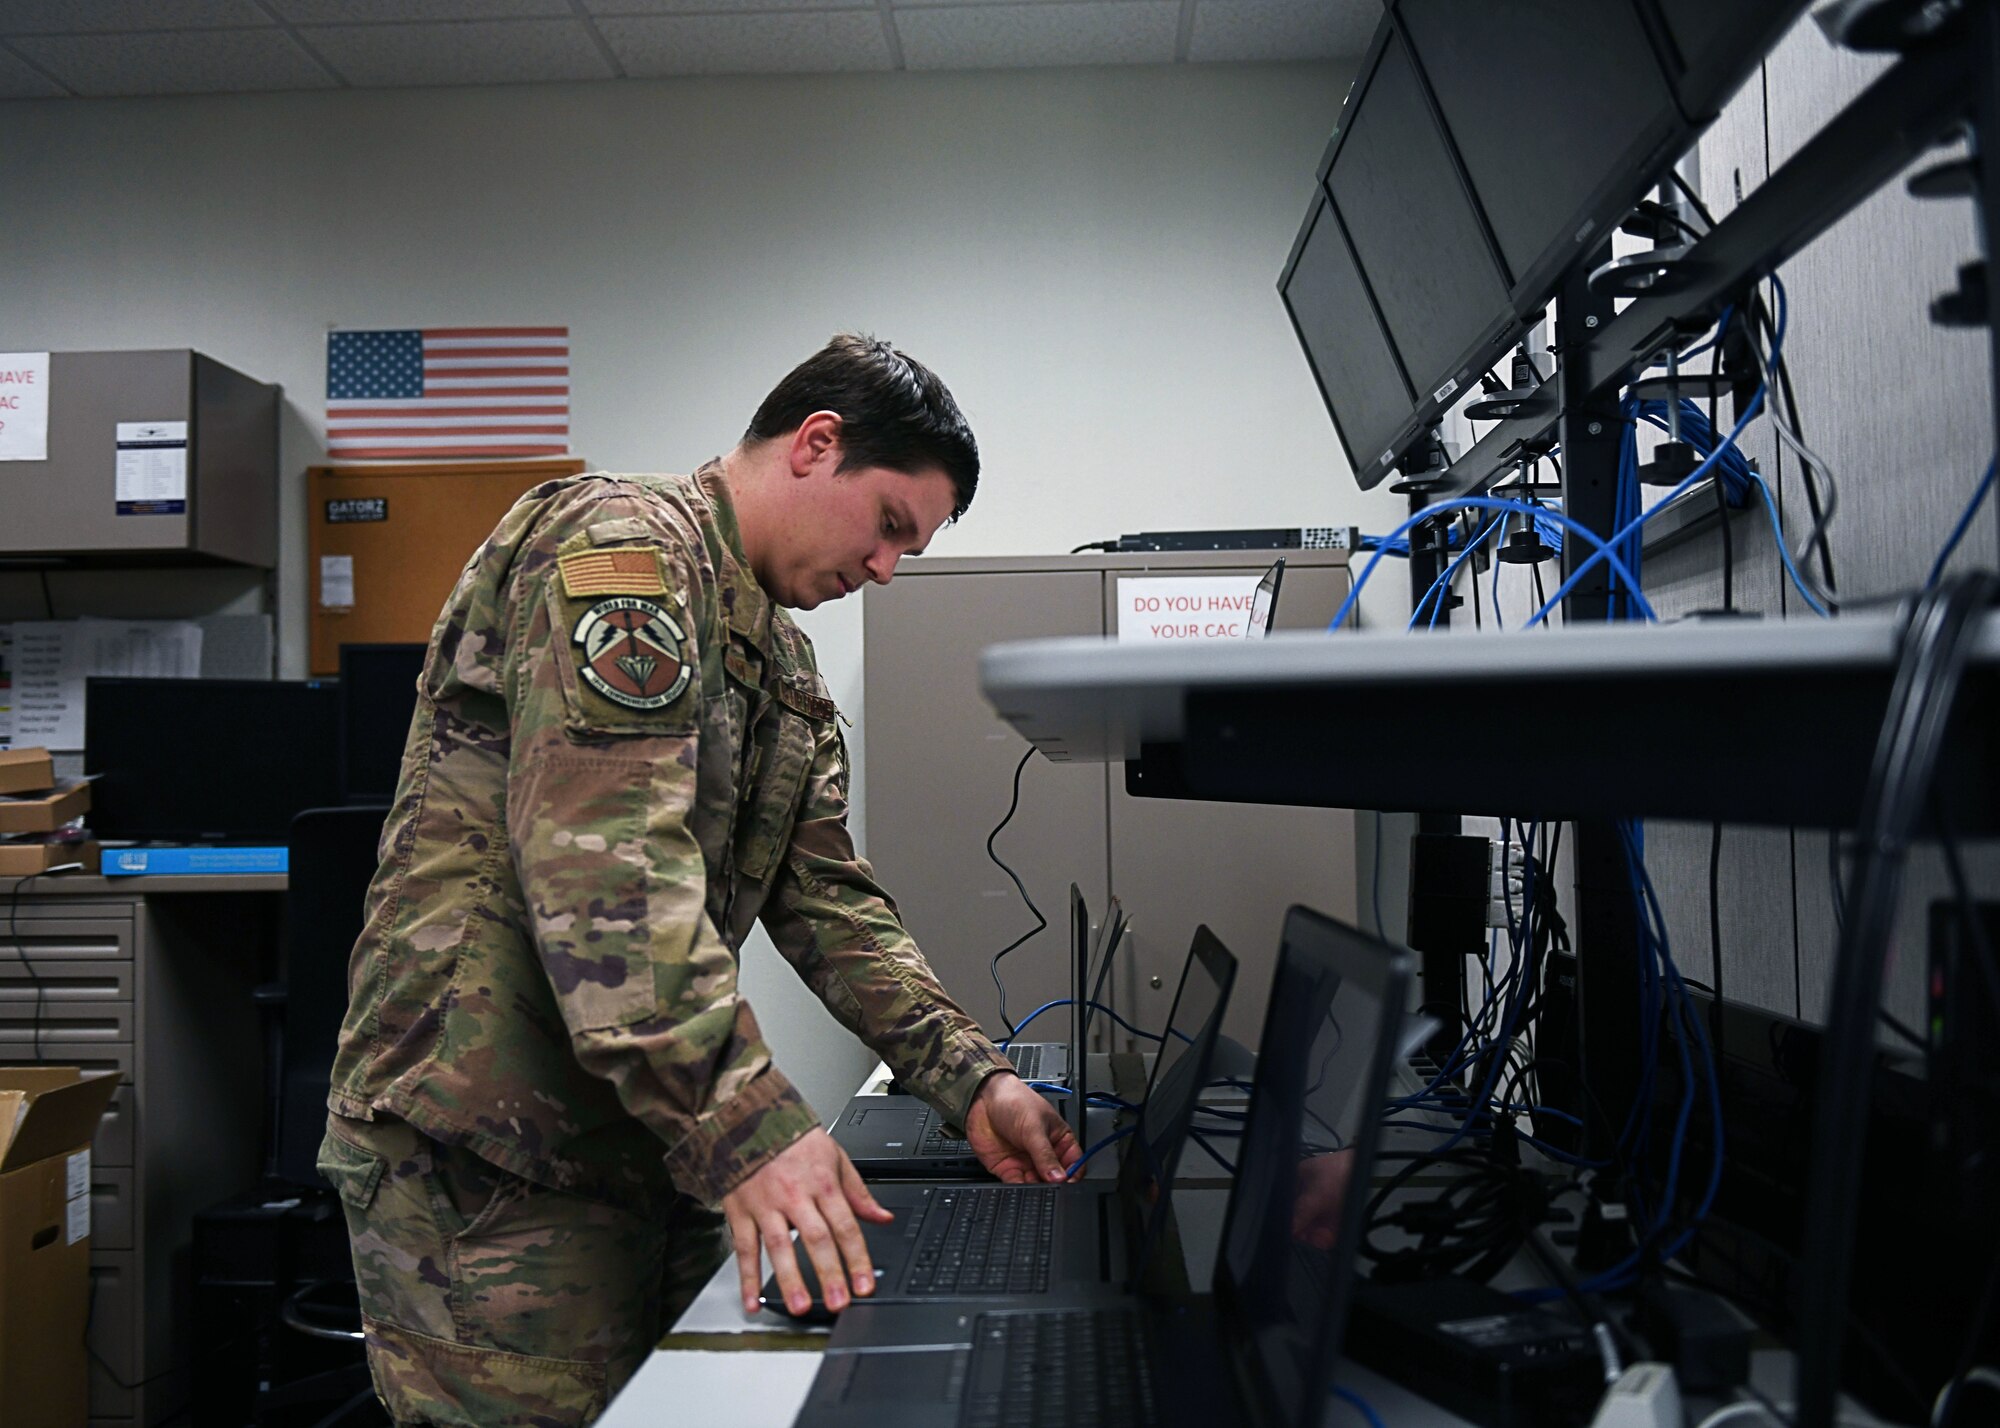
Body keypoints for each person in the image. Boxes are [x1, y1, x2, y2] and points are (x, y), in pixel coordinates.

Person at [319, 333, 1079, 1426]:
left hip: (638, 1133)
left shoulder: (778, 654)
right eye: (889, 526)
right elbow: (606, 887)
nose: (885, 570)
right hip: (486, 1154)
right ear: (817, 445)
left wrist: (971, 1079)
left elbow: (828, 904)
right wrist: (758, 1133)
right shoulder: (619, 552)